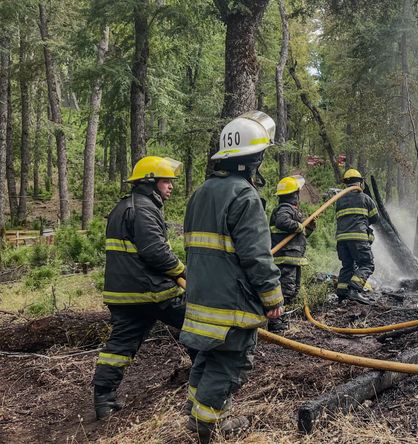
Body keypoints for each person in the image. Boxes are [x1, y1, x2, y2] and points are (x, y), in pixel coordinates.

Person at [180, 111, 283, 443]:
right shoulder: (244, 195)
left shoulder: (200, 193)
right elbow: (256, 255)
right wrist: (272, 298)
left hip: (201, 301)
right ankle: (207, 426)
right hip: (230, 304)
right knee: (228, 365)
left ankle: (194, 413)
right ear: (254, 159)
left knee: (207, 358)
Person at [93, 156, 190, 420]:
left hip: (123, 294)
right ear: (150, 182)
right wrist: (183, 272)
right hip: (151, 291)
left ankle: (104, 400)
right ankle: (206, 374)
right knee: (196, 322)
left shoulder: (123, 206)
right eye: (166, 180)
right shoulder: (145, 208)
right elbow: (155, 251)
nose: (170, 186)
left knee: (119, 346)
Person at [268, 175, 316, 332]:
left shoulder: (291, 211)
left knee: (292, 291)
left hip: (293, 258)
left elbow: (298, 236)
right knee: (285, 290)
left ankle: (279, 317)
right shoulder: (284, 209)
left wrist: (308, 227)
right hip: (285, 259)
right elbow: (283, 223)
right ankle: (274, 321)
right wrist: (299, 226)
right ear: (294, 195)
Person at [334, 168, 379, 304]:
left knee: (347, 266)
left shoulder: (339, 201)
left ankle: (342, 294)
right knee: (367, 264)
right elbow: (375, 218)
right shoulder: (365, 198)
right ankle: (354, 290)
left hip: (341, 240)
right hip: (358, 238)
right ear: (360, 183)